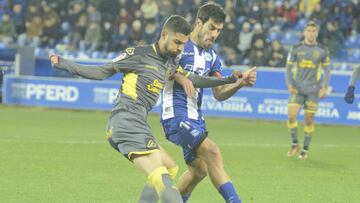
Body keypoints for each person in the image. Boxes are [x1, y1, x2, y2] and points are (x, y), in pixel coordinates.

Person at [50, 15, 242, 203]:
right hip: (125, 121)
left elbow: (194, 79)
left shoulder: (170, 62)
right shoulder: (138, 55)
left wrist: (228, 79)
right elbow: (102, 71)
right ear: (164, 35)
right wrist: (65, 64)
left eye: (183, 44)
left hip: (138, 124)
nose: (179, 49)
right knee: (162, 178)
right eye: (176, 42)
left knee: (170, 168)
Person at [160, 3, 256, 203]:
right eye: (211, 28)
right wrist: (179, 77)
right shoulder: (179, 43)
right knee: (212, 152)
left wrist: (240, 83)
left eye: (219, 31)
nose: (214, 34)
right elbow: (162, 66)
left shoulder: (212, 57)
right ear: (198, 23)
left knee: (199, 170)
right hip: (176, 115)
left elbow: (219, 94)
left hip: (196, 118)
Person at [285, 20, 331, 160]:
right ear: (304, 32)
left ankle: (305, 149)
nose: (311, 33)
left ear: (316, 33)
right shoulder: (296, 48)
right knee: (291, 116)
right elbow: (288, 68)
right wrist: (289, 84)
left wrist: (324, 87)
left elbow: (327, 70)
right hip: (297, 88)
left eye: (313, 31)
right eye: (308, 31)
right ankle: (294, 144)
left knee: (309, 120)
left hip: (313, 90)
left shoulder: (323, 50)